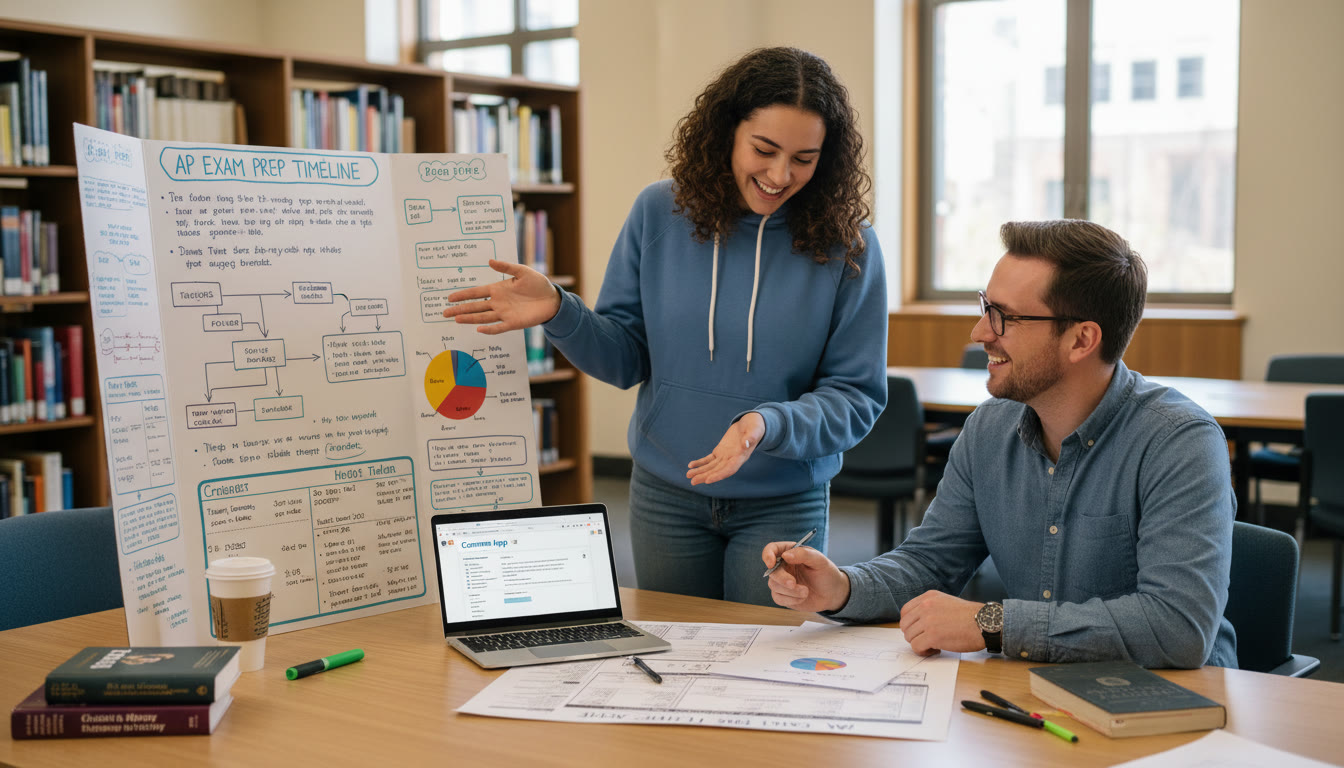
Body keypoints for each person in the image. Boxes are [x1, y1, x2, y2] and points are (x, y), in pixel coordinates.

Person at [443, 47, 888, 606]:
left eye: (804, 158)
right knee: (671, 665)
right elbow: (625, 358)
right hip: (665, 497)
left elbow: (857, 396)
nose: (780, 175)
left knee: (765, 676)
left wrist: (763, 425)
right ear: (727, 132)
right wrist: (560, 310)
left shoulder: (850, 248)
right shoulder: (659, 212)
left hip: (783, 499)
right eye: (764, 150)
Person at [763, 219, 1238, 668]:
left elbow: (1179, 628)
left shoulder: (1180, 444)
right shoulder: (989, 431)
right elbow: (930, 563)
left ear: (1081, 340)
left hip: (1167, 709)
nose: (980, 333)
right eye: (984, 307)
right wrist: (843, 588)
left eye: (1004, 317)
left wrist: (993, 623)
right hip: (1034, 694)